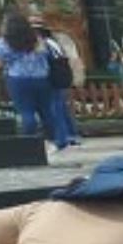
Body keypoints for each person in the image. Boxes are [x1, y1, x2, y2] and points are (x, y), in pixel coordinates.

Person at [0, 13, 59, 150]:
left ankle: (29, 142)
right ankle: (52, 141)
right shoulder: (36, 39)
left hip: (18, 79)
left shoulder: (4, 42)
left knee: (26, 111)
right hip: (41, 78)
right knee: (46, 111)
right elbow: (45, 54)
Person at [33, 19, 81, 149]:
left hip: (52, 78)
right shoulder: (54, 42)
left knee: (54, 109)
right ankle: (72, 134)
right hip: (61, 76)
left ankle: (61, 138)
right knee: (62, 107)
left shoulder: (43, 45)